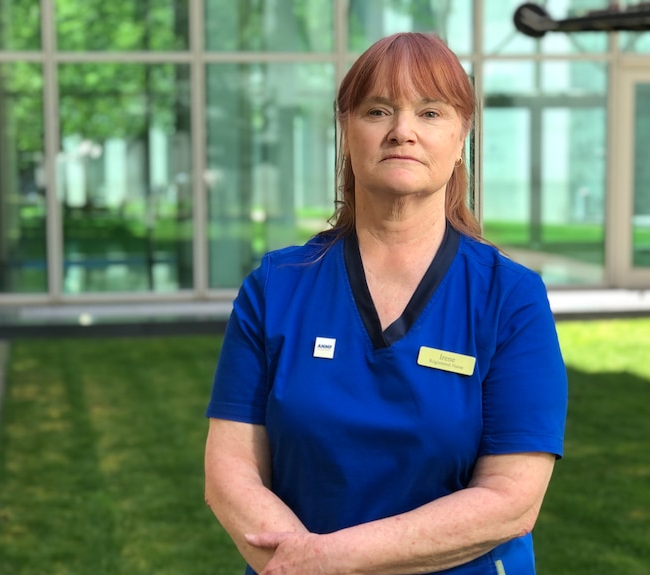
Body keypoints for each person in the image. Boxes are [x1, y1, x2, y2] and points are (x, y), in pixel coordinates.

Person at [204, 32, 568, 575]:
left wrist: (329, 560)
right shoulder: (276, 285)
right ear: (346, 131)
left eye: (430, 112)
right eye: (378, 110)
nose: (403, 132)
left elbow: (510, 499)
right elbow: (230, 471)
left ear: (461, 134)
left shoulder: (509, 297)